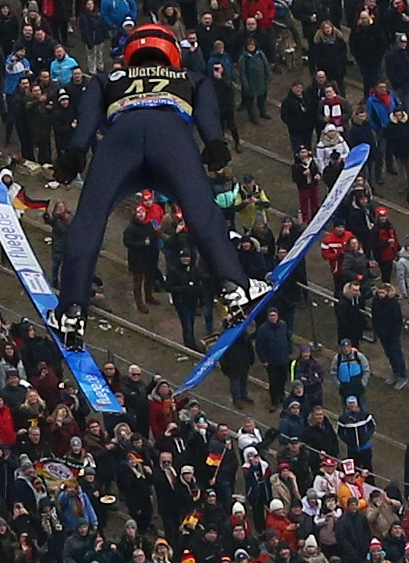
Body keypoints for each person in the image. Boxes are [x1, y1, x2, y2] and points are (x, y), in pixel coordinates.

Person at [51, 23, 269, 349]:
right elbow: (209, 114)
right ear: (172, 52)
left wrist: (75, 152)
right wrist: (214, 143)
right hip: (171, 140)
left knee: (89, 220)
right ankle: (234, 286)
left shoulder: (107, 79)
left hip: (119, 142)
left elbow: (86, 118)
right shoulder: (191, 78)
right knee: (202, 212)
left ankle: (71, 309)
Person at [255, 308, 292, 412]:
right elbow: (260, 346)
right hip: (271, 361)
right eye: (271, 315)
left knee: (283, 379)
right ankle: (274, 401)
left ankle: (281, 396)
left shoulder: (283, 325)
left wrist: (289, 351)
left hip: (283, 359)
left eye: (274, 315)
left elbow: (288, 338)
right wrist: (264, 360)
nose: (273, 317)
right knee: (274, 381)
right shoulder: (263, 329)